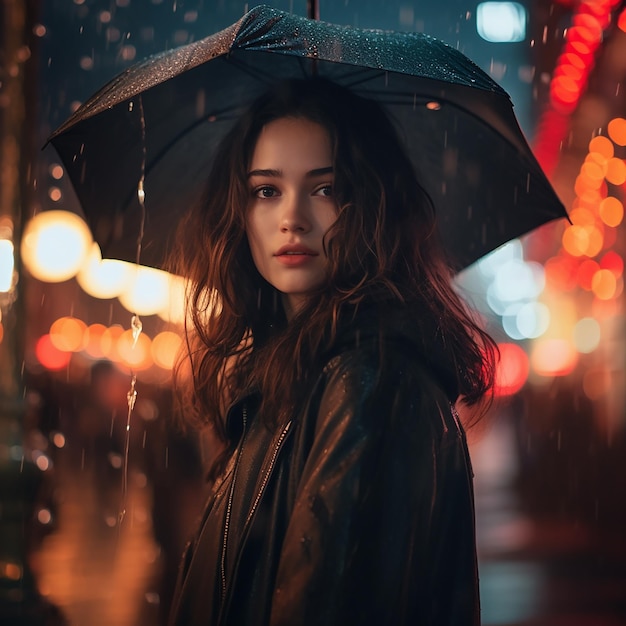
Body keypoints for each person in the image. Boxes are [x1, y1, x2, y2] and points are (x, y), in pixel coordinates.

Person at [167, 77, 498, 626]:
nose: (292, 217)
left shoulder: (370, 383)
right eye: (266, 190)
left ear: (370, 207)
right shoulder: (290, 379)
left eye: (326, 189)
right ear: (240, 211)